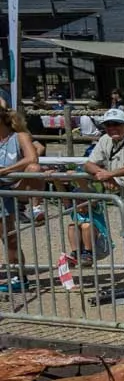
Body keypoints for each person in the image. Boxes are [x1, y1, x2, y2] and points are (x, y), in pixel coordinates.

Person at [75, 107, 124, 269]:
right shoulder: (105, 139)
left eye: (116, 124)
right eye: (108, 125)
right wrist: (103, 174)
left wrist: (109, 175)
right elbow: (89, 164)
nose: (112, 128)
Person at [0, 108, 41, 291]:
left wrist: (4, 171)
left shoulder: (19, 136)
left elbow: (32, 158)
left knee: (8, 236)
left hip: (11, 187)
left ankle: (19, 276)